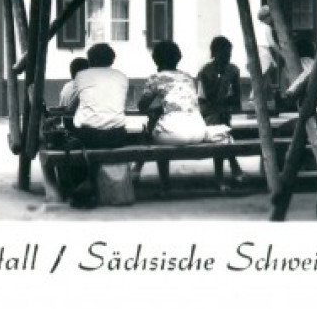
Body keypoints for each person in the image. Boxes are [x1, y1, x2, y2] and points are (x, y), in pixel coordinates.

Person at [135, 39, 224, 195]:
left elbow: (142, 106)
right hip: (198, 131)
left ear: (155, 59)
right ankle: (219, 181)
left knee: (152, 127)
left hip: (175, 134)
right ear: (178, 58)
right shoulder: (188, 77)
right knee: (161, 122)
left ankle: (162, 183)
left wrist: (157, 109)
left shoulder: (156, 78)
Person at [197, 36, 246, 188]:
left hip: (224, 113)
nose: (227, 57)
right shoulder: (205, 71)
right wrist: (222, 84)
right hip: (210, 114)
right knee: (220, 127)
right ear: (215, 53)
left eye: (229, 54)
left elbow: (236, 98)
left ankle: (223, 175)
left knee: (222, 128)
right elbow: (205, 99)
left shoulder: (233, 70)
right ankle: (232, 167)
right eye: (223, 54)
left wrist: (226, 101)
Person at [66, 43, 131, 149]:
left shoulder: (81, 75)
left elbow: (74, 104)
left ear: (90, 60)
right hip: (117, 136)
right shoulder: (121, 76)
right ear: (111, 59)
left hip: (89, 136)